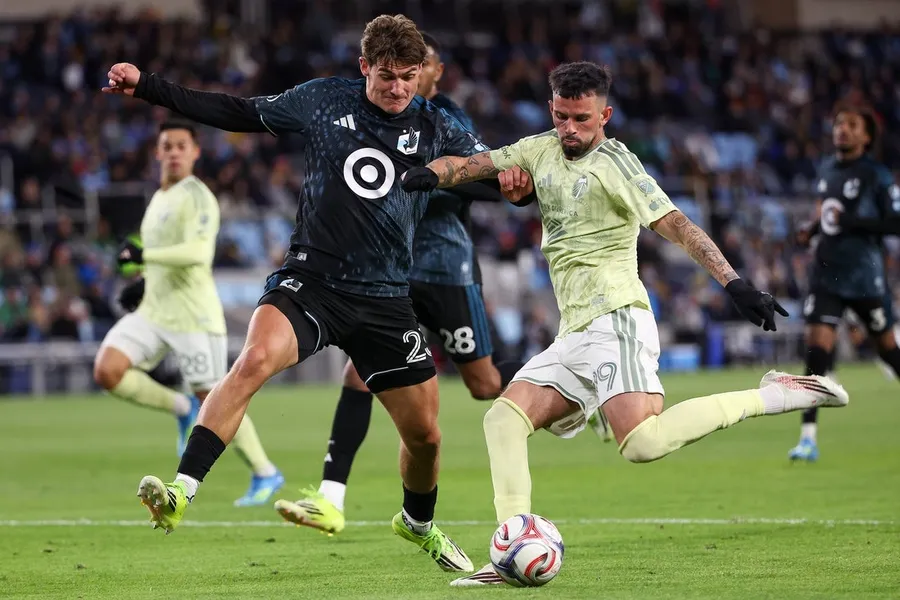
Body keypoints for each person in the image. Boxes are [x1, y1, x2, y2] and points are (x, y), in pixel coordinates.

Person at [399, 61, 849, 585]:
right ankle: (511, 548)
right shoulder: (538, 148)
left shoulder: (617, 164)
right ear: (551, 109)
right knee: (503, 420)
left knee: (641, 444)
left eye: (582, 119)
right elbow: (474, 165)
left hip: (617, 318)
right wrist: (431, 175)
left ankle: (773, 394)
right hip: (574, 330)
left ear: (605, 115)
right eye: (562, 116)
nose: (570, 128)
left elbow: (676, 224)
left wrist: (734, 283)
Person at [103, 15, 486, 573]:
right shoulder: (324, 100)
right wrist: (148, 86)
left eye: (409, 77)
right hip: (312, 282)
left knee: (425, 436)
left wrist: (513, 181)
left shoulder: (435, 123)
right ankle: (181, 491)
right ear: (364, 67)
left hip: (385, 297)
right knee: (254, 359)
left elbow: (493, 168)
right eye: (387, 76)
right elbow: (238, 111)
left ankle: (417, 523)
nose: (399, 88)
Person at [273, 32, 527, 536]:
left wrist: (432, 176)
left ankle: (563, 385)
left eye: (420, 67)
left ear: (434, 72)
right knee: (358, 375)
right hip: (387, 274)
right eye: (396, 70)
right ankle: (330, 497)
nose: (407, 78)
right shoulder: (367, 117)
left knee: (484, 384)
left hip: (446, 268)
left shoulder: (446, 119)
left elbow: (489, 183)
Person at [93, 120, 283, 507]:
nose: (175, 152)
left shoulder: (198, 196)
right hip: (154, 309)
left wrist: (145, 256)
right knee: (108, 370)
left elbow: (198, 253)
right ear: (157, 152)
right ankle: (180, 409)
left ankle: (265, 471)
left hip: (193, 315)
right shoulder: (159, 198)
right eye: (168, 145)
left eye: (182, 145)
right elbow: (166, 256)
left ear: (195, 152)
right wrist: (145, 281)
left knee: (216, 398)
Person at [790, 104, 900, 462]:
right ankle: (807, 439)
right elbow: (828, 213)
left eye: (852, 125)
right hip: (826, 274)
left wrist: (855, 222)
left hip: (865, 277)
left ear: (866, 136)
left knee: (889, 351)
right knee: (816, 352)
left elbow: (894, 222)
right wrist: (811, 230)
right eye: (839, 123)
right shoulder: (827, 170)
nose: (843, 129)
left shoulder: (877, 176)